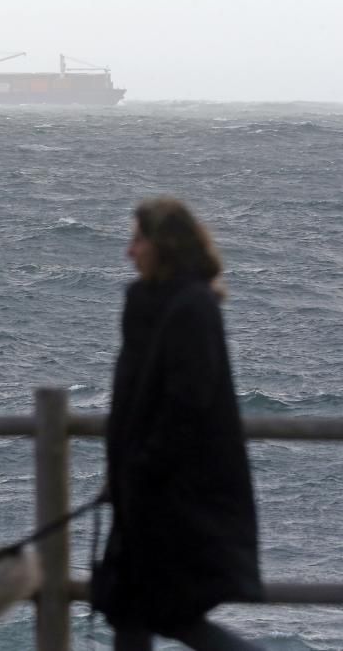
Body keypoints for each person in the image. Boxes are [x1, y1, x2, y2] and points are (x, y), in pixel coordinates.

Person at [91, 197, 263, 650]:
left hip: (173, 500)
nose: (130, 252)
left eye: (138, 240)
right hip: (139, 496)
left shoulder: (193, 308)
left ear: (163, 245)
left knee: (174, 618)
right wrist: (121, 475)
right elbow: (131, 400)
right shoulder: (142, 302)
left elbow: (187, 408)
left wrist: (140, 468)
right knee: (130, 614)